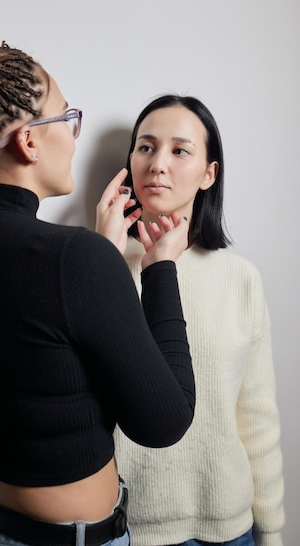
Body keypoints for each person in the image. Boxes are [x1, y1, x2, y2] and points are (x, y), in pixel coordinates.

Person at [0, 18, 196, 546]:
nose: (75, 137)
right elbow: (164, 422)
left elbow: (43, 374)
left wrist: (99, 258)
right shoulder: (75, 259)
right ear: (29, 141)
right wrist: (158, 268)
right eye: (68, 118)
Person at [112, 95, 285, 546]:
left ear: (210, 173)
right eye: (145, 147)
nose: (157, 164)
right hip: (127, 529)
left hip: (230, 529)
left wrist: (273, 530)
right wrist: (104, 261)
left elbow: (257, 415)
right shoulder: (99, 267)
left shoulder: (240, 277)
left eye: (180, 150)